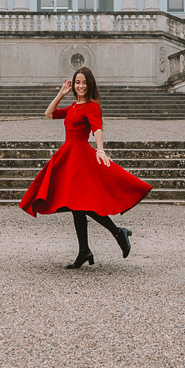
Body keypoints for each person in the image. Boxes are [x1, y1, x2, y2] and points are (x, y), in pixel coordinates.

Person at [19, 66, 152, 269]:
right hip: (68, 157)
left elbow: (97, 128)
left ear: (90, 84)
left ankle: (116, 233)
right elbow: (48, 113)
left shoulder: (92, 107)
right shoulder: (73, 107)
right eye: (78, 82)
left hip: (80, 158)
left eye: (84, 82)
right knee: (76, 206)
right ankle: (85, 249)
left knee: (82, 205)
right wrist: (61, 94)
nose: (81, 86)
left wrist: (100, 150)